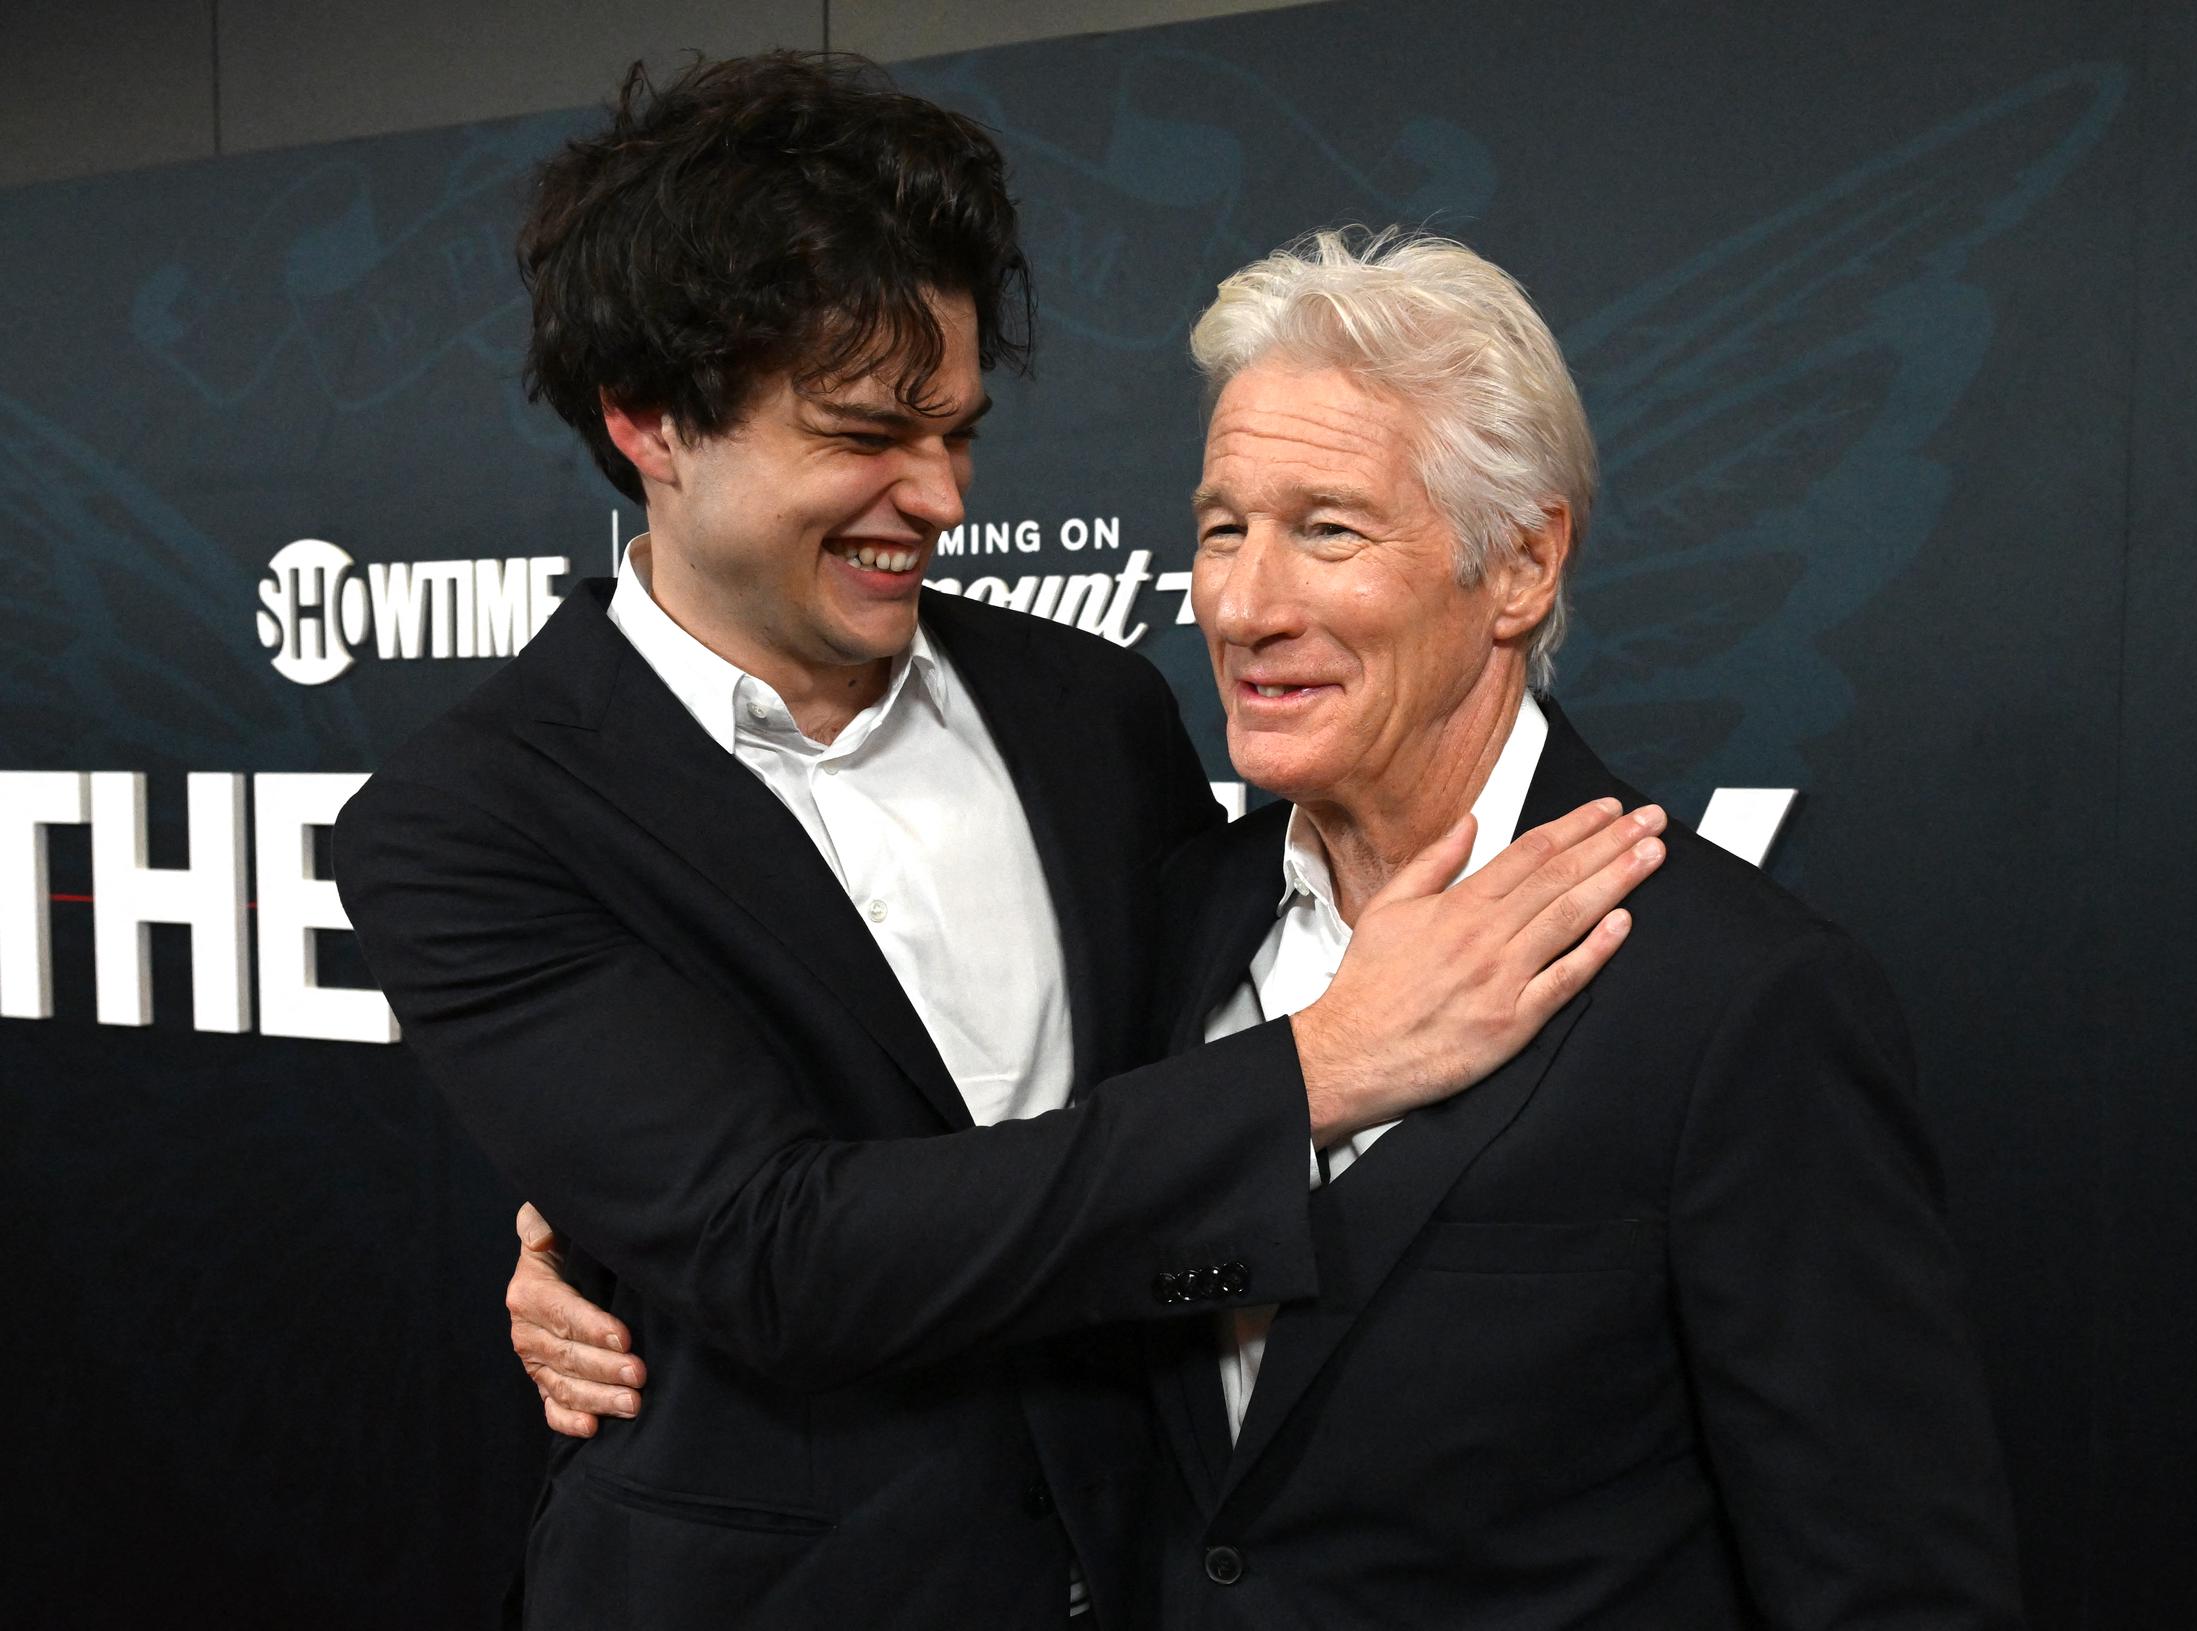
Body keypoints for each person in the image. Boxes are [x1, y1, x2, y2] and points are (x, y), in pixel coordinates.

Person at [519, 229, 2026, 1627]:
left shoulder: (1740, 997)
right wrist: (606, 1259)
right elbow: (977, 1207)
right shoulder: (1164, 915)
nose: (1244, 603)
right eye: (1224, 527)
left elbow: (1889, 1585)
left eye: (1327, 529)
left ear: (1521, 565)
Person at [334, 58, 1659, 1631]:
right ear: (648, 421)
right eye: (865, 434)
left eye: (959, 431)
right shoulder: (465, 822)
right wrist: (1321, 1065)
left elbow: (1172, 1109)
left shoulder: (1090, 710)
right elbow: (778, 1256)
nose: (939, 497)